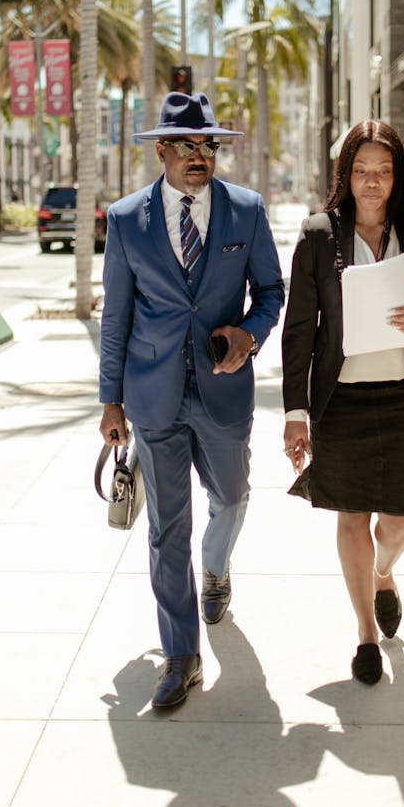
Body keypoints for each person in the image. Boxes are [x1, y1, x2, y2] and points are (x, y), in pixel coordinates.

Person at [99, 91, 285, 709]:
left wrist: (250, 335)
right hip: (153, 399)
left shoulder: (246, 212)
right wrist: (111, 403)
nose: (198, 155)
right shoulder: (126, 220)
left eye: (207, 144)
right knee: (165, 529)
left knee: (231, 498)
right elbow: (117, 319)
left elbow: (270, 292)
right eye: (184, 145)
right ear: (161, 151)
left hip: (223, 390)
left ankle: (217, 570)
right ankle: (181, 657)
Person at [281, 119, 404, 685]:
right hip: (341, 401)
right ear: (345, 175)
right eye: (360, 171)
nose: (371, 182)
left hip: (402, 395)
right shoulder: (318, 235)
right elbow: (299, 330)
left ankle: (383, 573)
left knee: (398, 521)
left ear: (397, 175)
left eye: (382, 171)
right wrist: (296, 413)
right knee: (352, 516)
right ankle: (365, 635)